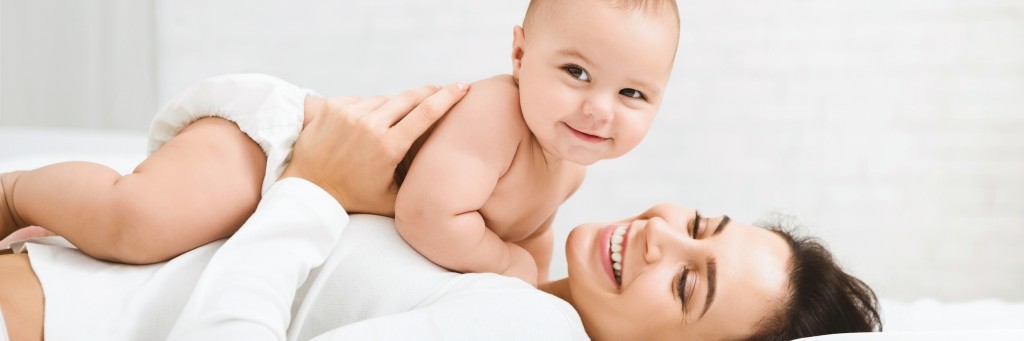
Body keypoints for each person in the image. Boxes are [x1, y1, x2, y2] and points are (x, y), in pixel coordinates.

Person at [0, 87, 880, 340]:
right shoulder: (525, 277)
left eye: (688, 285)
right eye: (702, 227)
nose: (662, 237)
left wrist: (317, 188)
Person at [0, 0, 680, 286]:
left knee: (155, 250)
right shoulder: (499, 114)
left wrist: (528, 267)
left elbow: (530, 232)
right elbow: (429, 214)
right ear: (521, 53)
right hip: (277, 148)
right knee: (139, 221)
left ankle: (47, 224)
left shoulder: (569, 169)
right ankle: (13, 189)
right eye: (576, 72)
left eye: (632, 94)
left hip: (307, 190)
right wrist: (510, 265)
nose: (598, 109)